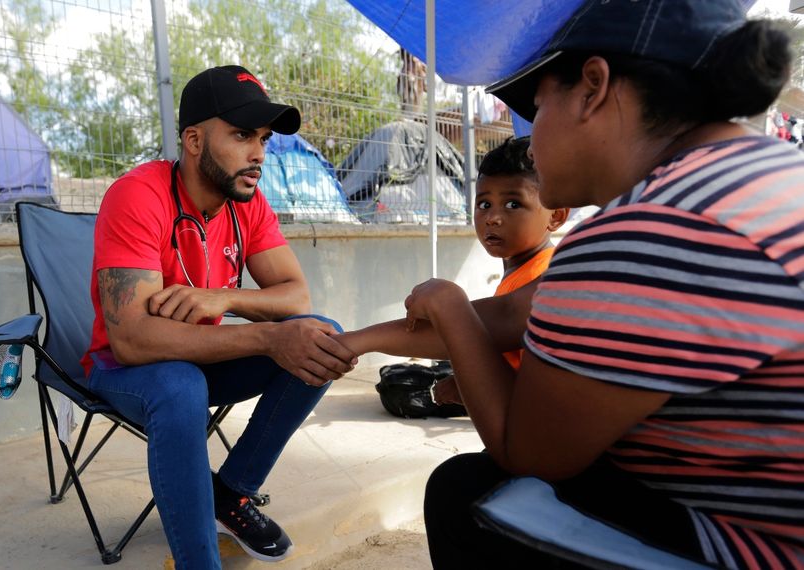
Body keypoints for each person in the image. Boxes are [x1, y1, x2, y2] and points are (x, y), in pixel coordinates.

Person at [341, 0, 804, 568]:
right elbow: (512, 317)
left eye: (536, 109)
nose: (530, 141)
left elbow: (527, 451)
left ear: (592, 87)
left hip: (764, 550)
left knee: (468, 492)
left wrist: (449, 302)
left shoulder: (646, 233)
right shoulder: (756, 178)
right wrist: (355, 341)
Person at [80, 65, 357, 568]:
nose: (258, 154)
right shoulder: (138, 196)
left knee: (322, 337)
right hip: (124, 370)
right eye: (241, 135)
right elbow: (133, 342)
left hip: (198, 359)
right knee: (181, 386)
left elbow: (295, 296)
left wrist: (221, 299)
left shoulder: (245, 201)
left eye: (264, 139)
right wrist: (266, 340)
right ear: (193, 140)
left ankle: (231, 491)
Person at [431, 135, 568, 406]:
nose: (492, 218)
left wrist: (468, 386)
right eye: (484, 205)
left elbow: (538, 387)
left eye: (513, 204)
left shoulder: (540, 278)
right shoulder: (523, 271)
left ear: (555, 216)